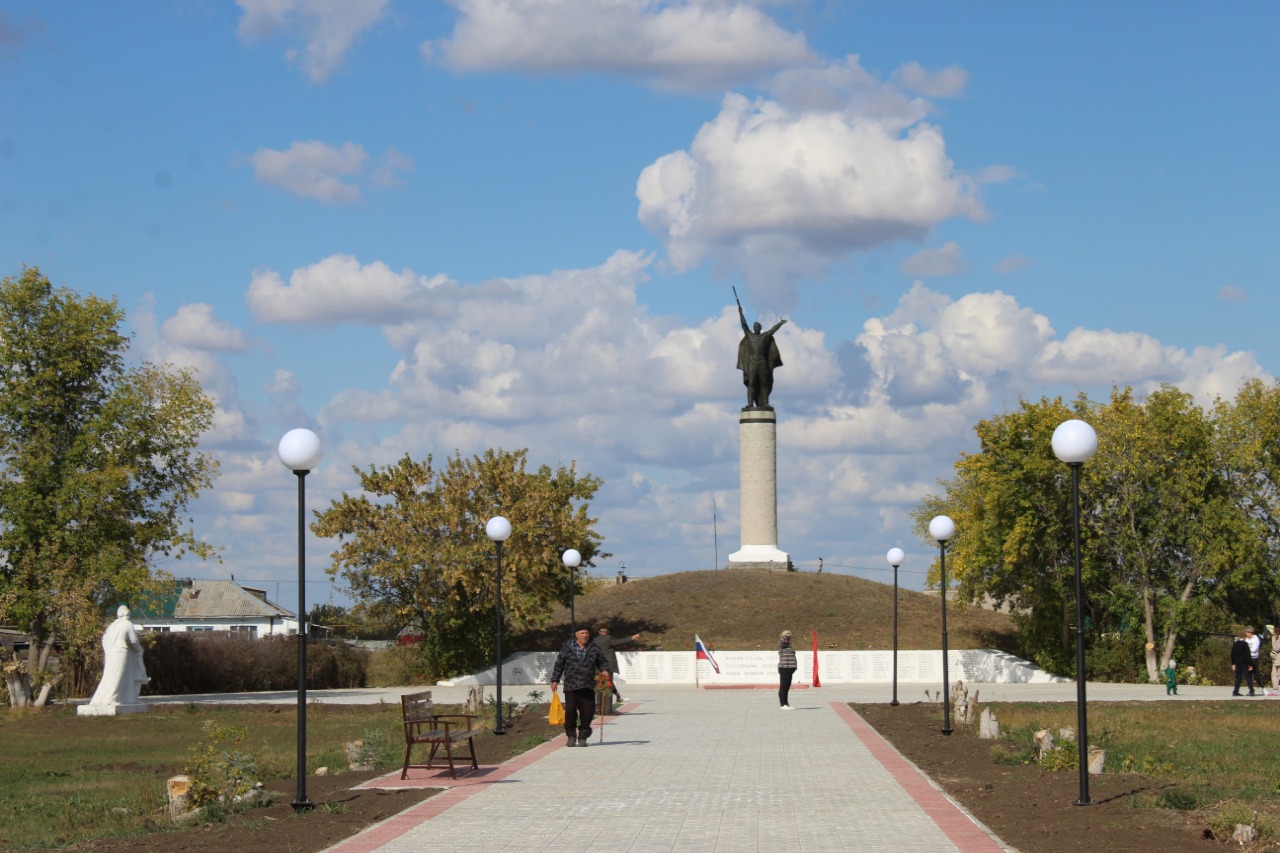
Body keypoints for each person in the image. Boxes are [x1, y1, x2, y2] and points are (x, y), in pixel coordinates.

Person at [550, 626, 610, 746]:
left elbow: (602, 661)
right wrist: (555, 679)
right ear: (576, 635)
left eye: (587, 633)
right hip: (571, 685)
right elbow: (559, 664)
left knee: (588, 712)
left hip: (588, 685)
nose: (585, 635)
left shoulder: (594, 648)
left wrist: (604, 670)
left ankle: (583, 735)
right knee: (571, 711)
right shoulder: (567, 648)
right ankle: (571, 735)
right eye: (582, 633)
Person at [88, 605, 149, 706]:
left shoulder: (111, 626)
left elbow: (104, 640)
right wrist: (140, 649)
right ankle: (111, 698)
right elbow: (133, 640)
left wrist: (108, 651)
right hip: (121, 651)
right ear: (127, 613)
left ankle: (101, 699)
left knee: (108, 675)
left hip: (110, 652)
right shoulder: (127, 624)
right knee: (117, 675)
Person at [736, 303, 787, 409]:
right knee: (752, 382)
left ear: (760, 328)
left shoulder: (765, 336)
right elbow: (744, 324)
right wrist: (741, 313)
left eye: (758, 326)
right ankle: (750, 402)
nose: (756, 328)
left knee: (764, 382)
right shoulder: (749, 335)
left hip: (762, 362)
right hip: (752, 363)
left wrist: (780, 323)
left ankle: (765, 402)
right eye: (755, 326)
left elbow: (773, 330)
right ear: (754, 328)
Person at [592, 624, 641, 705]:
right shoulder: (609, 638)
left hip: (597, 665)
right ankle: (616, 699)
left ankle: (599, 705)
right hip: (608, 665)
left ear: (599, 632)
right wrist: (631, 638)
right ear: (607, 632)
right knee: (608, 682)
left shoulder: (594, 640)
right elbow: (618, 642)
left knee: (600, 684)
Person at [1231, 628, 1256, 697]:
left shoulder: (1235, 644)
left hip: (1237, 663)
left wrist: (1233, 663)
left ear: (1239, 637)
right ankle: (1251, 690)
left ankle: (1235, 691)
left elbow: (1232, 654)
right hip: (1244, 663)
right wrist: (1250, 664)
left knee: (1238, 677)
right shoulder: (1245, 644)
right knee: (1248, 677)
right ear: (1244, 637)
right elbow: (1248, 655)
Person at [777, 629, 798, 709]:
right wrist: (785, 636)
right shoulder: (781, 644)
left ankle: (786, 703)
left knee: (787, 687)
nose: (789, 634)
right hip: (784, 668)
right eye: (787, 633)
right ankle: (782, 704)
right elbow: (783, 641)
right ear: (783, 635)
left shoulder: (789, 645)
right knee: (783, 686)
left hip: (790, 668)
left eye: (790, 633)